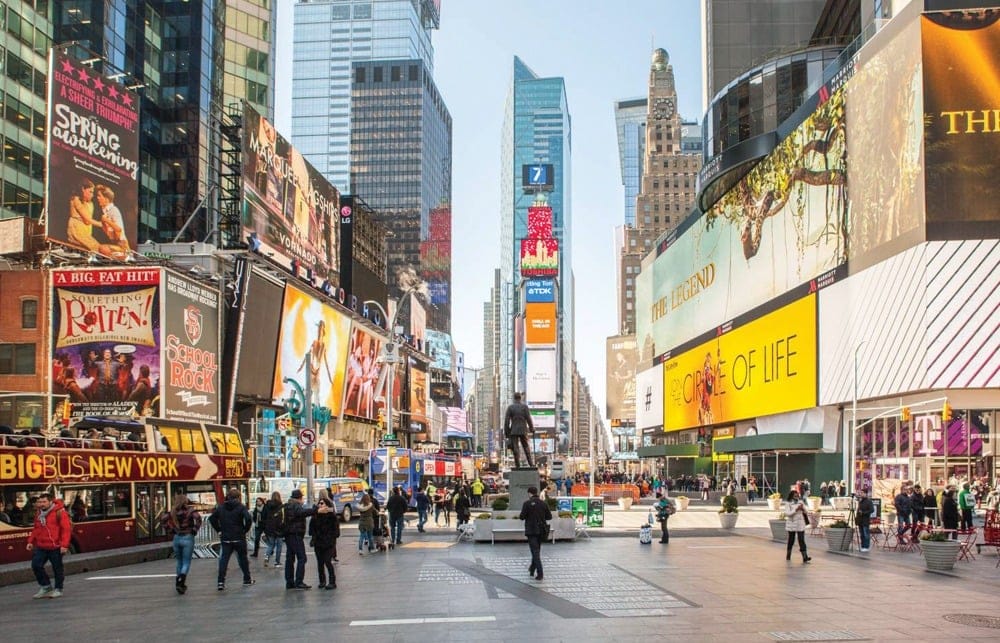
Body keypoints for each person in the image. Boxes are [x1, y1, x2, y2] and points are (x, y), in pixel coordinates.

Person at [27, 492, 72, 598]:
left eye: (44, 502)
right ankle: (46, 586)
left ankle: (58, 588)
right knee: (36, 565)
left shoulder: (60, 512)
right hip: (41, 546)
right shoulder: (39, 513)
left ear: (50, 501)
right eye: (40, 502)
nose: (41, 504)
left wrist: (64, 545)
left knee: (57, 568)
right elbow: (36, 528)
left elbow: (66, 530)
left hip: (55, 546)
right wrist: (30, 541)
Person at [283, 489, 330, 589]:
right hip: (295, 535)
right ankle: (299, 581)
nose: (303, 500)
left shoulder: (287, 506)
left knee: (290, 559)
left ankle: (289, 581)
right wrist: (316, 510)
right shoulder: (296, 506)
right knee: (302, 558)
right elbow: (303, 512)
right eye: (302, 498)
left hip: (288, 535)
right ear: (299, 498)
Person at [208, 488, 254, 591]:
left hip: (226, 537)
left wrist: (219, 530)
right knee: (243, 559)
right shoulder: (241, 507)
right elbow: (248, 519)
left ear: (228, 497)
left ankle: (221, 582)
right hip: (239, 537)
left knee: (224, 560)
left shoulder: (221, 507)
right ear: (238, 497)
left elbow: (212, 518)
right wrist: (245, 530)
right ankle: (247, 579)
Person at [159, 494, 202, 594]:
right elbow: (198, 519)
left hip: (177, 537)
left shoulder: (172, 511)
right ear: (185, 501)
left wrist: (170, 530)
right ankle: (181, 582)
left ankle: (178, 581)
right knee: (186, 562)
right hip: (188, 537)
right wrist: (194, 529)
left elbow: (162, 520)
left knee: (179, 561)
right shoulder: (191, 511)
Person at [308, 491, 340, 590]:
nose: (320, 505)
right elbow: (311, 530)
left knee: (327, 561)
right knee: (320, 563)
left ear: (327, 505)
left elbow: (336, 532)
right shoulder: (315, 518)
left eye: (322, 503)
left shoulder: (332, 517)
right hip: (318, 543)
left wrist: (331, 539)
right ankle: (322, 581)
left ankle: (332, 581)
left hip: (328, 543)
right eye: (319, 503)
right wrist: (314, 538)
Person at [519, 486, 552, 581]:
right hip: (541, 530)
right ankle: (532, 569)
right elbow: (549, 517)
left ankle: (540, 573)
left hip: (531, 530)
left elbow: (522, 517)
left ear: (529, 493)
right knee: (536, 550)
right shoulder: (543, 503)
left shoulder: (526, 503)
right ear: (536, 492)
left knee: (535, 552)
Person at [94, 184, 129, 257]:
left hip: (122, 246)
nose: (97, 198)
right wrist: (103, 223)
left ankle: (123, 256)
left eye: (99, 196)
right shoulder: (106, 212)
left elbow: (118, 229)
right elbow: (107, 231)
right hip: (116, 244)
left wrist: (106, 220)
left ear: (106, 199)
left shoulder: (114, 210)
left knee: (102, 249)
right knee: (98, 249)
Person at [67, 179, 100, 252]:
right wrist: (102, 224)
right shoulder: (76, 199)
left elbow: (88, 222)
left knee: (98, 249)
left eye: (93, 192)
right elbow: (87, 219)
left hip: (85, 231)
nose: (92, 195)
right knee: (98, 249)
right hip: (76, 230)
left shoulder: (90, 203)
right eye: (90, 191)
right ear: (83, 189)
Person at [503, 392, 534, 468]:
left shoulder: (510, 408)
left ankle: (518, 465)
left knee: (515, 448)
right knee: (526, 447)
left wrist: (507, 432)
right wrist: (531, 428)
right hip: (523, 430)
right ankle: (531, 464)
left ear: (514, 398)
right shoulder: (524, 407)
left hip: (514, 430)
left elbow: (506, 421)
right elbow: (529, 419)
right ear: (520, 398)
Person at [783, 489, 811, 564]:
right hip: (792, 523)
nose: (796, 496)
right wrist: (796, 509)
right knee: (791, 540)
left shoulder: (800, 502)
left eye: (797, 495)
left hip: (800, 523)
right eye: (795, 495)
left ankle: (805, 557)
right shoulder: (788, 503)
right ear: (791, 496)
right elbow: (788, 513)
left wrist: (803, 508)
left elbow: (806, 511)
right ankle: (788, 555)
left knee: (801, 540)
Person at [261, 491, 283, 567]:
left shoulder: (266, 505)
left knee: (271, 545)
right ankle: (277, 562)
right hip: (279, 528)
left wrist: (265, 526)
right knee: (279, 545)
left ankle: (267, 557)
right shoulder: (281, 506)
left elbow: (263, 516)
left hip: (269, 528)